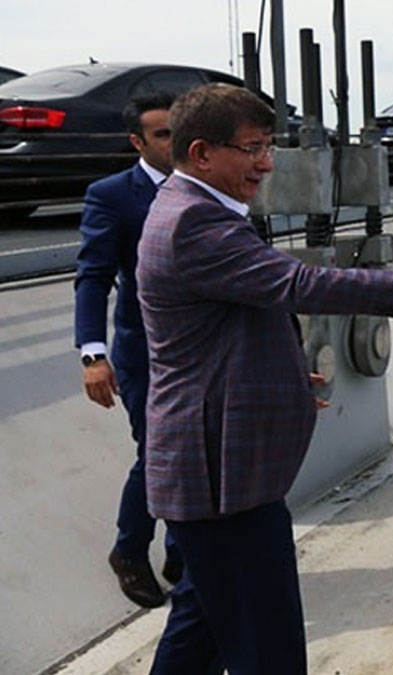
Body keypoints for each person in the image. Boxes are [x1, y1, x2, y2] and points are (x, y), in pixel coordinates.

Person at [136, 83, 393, 673]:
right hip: (223, 478)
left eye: (270, 148)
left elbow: (235, 319)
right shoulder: (193, 222)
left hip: (221, 473)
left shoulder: (198, 210)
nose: (265, 163)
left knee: (201, 628)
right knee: (268, 645)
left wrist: (285, 376)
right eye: (253, 148)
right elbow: (297, 283)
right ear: (203, 153)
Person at [74, 92, 183, 609]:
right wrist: (93, 355)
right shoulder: (113, 195)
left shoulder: (206, 186)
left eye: (178, 130)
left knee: (198, 451)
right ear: (137, 141)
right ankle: (129, 550)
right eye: (162, 134)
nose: (174, 141)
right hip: (145, 353)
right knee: (158, 455)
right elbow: (92, 278)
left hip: (204, 351)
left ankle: (184, 555)